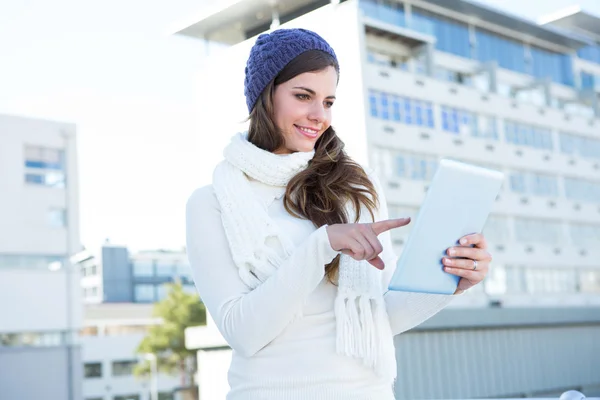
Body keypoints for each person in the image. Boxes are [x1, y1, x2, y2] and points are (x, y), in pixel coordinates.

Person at [186, 28, 492, 400]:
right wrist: (322, 246)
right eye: (303, 96)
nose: (319, 116)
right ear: (264, 96)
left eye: (329, 102)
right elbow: (244, 333)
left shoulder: (355, 186)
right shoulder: (213, 202)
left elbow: (381, 318)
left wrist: (449, 283)